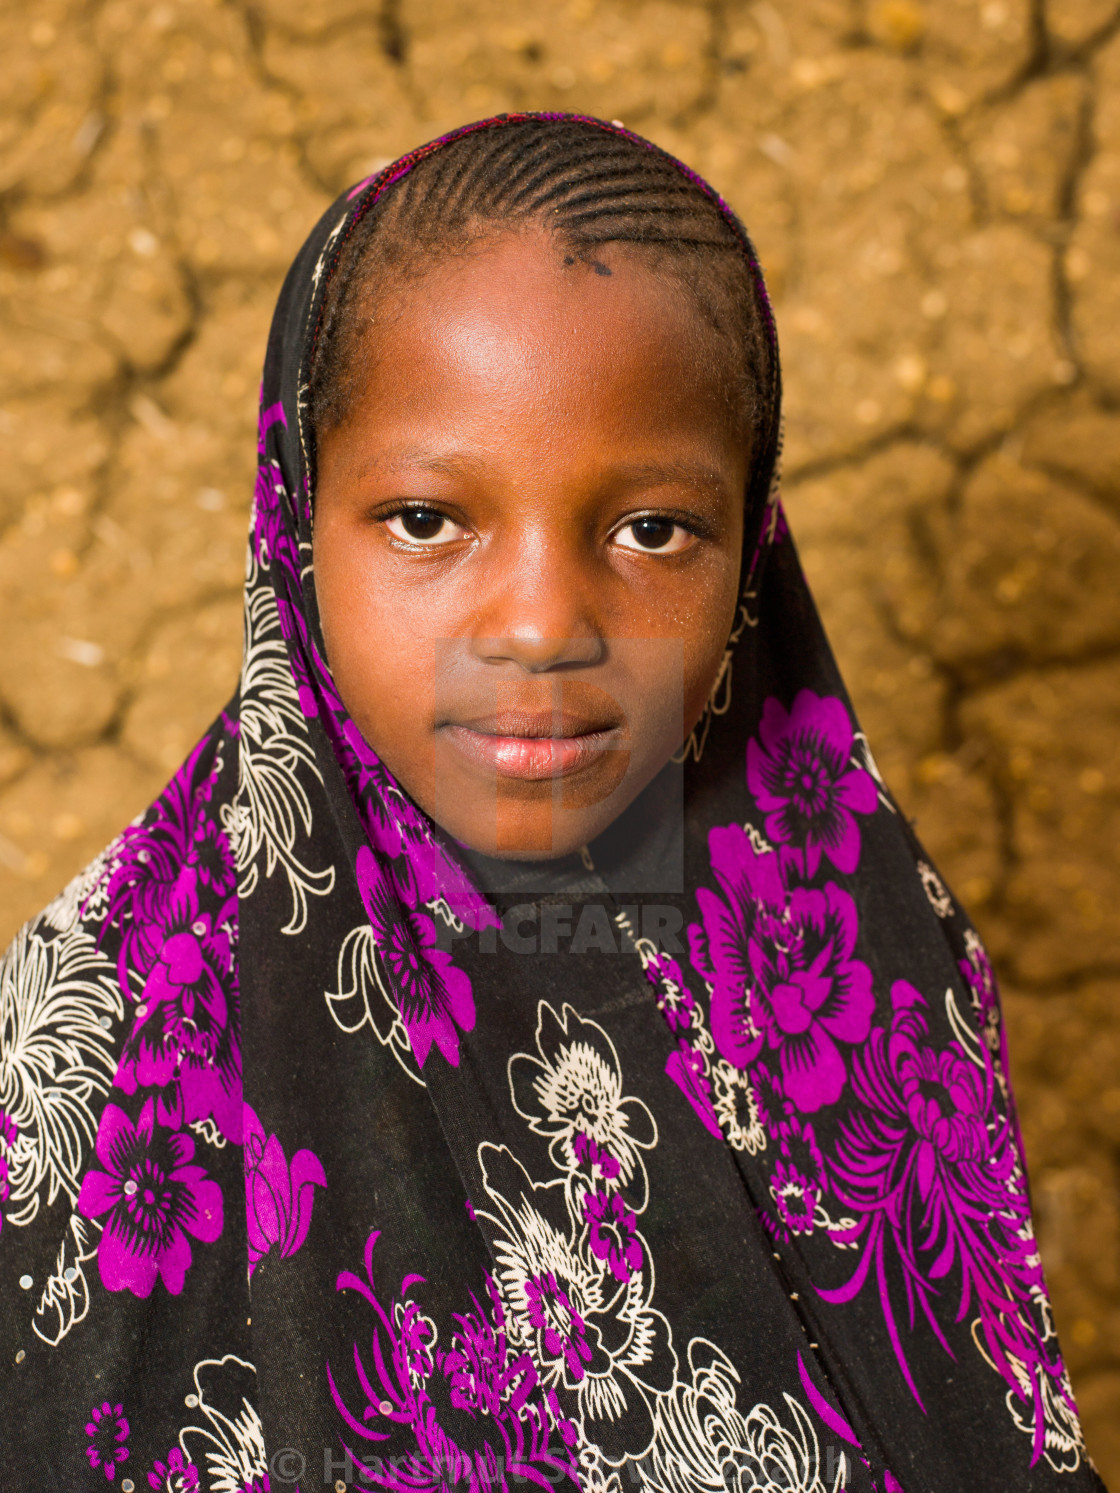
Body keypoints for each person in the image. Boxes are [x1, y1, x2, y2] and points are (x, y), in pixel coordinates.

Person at [0, 114, 1103, 1493]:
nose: (539, 625)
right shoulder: (84, 1061)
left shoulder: (869, 974)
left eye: (651, 530)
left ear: (748, 543)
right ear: (295, 516)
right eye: (425, 519)